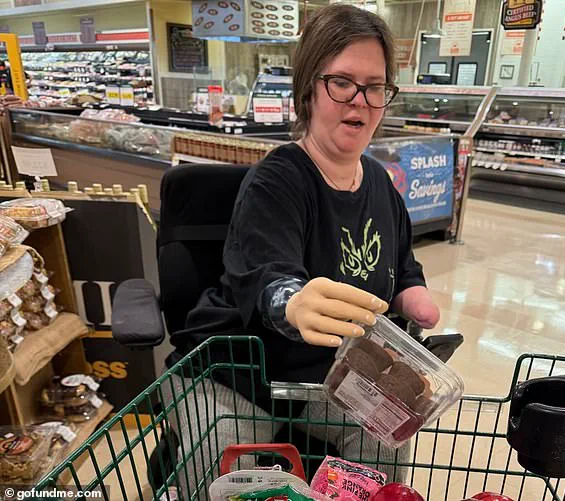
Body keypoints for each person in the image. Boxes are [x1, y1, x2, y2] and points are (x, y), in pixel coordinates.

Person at [165, 3, 440, 496]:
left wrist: (412, 294)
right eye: (342, 82)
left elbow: (401, 265)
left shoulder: (381, 185)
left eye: (375, 87)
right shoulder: (277, 180)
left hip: (329, 379)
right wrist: (292, 301)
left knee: (387, 434)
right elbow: (269, 278)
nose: (359, 101)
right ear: (309, 89)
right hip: (235, 372)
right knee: (222, 466)